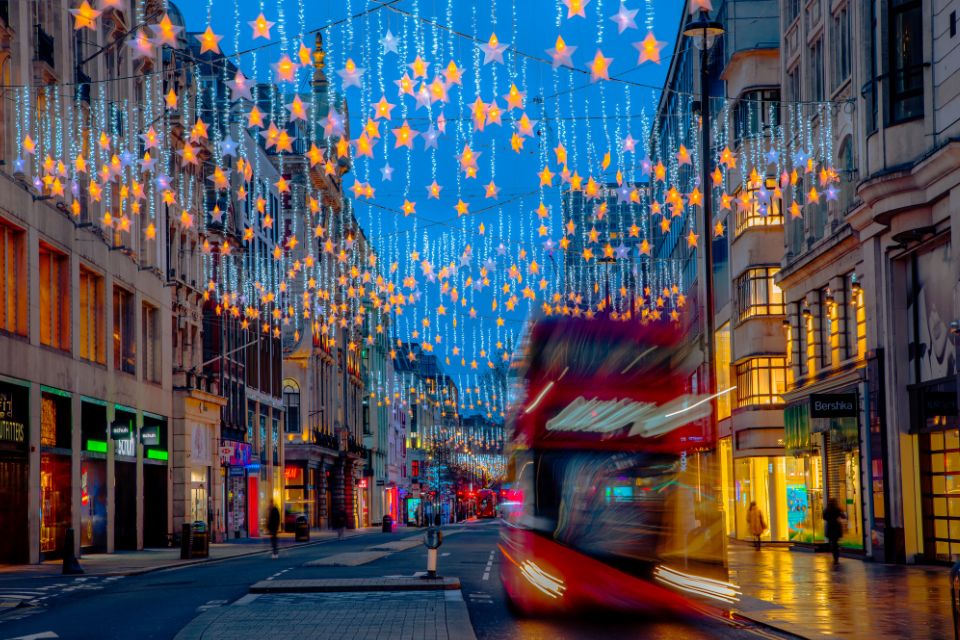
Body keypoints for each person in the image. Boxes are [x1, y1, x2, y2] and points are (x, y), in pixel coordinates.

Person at [823, 498, 846, 565]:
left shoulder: (827, 509)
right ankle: (836, 558)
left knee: (832, 543)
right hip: (836, 527)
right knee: (835, 543)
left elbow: (824, 517)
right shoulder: (837, 509)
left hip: (830, 527)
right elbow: (843, 516)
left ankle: (834, 555)